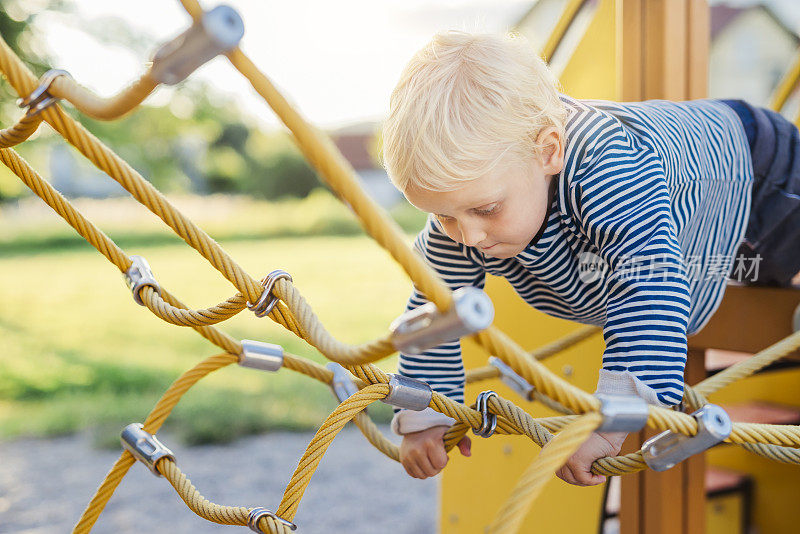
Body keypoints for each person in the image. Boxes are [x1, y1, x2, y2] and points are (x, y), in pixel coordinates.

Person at [380, 30, 800, 485]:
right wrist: (425, 417)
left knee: (780, 264)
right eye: (443, 216)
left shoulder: (608, 168)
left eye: (486, 210)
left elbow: (648, 285)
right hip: (688, 201)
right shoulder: (469, 206)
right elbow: (433, 314)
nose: (469, 235)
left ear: (549, 151)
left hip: (759, 170)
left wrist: (611, 421)